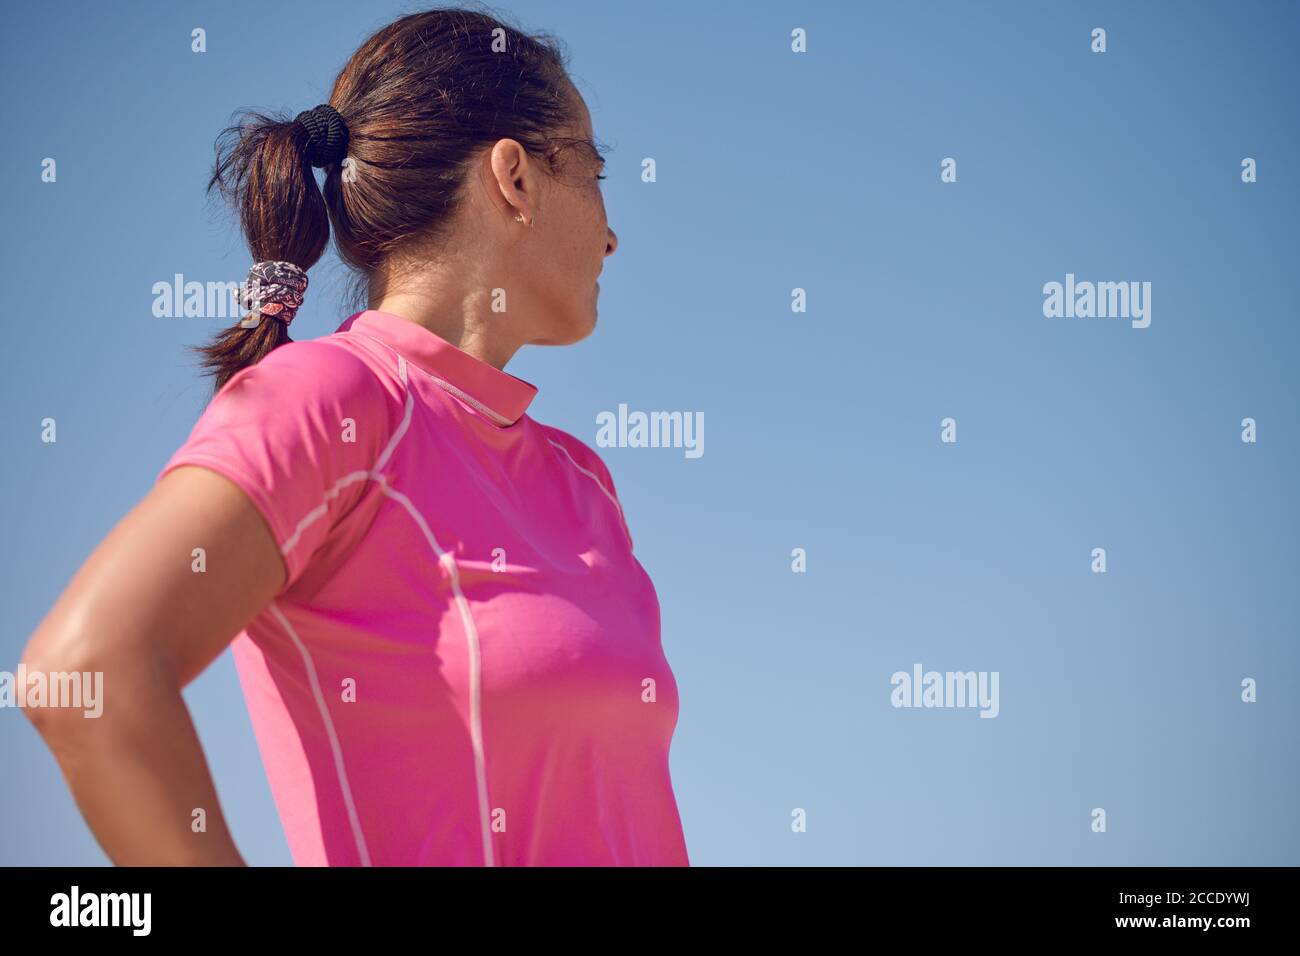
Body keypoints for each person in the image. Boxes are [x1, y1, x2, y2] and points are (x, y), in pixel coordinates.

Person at [19, 5, 690, 867]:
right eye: (595, 170)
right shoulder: (333, 402)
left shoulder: (582, 479)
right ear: (514, 178)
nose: (612, 231)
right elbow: (86, 673)